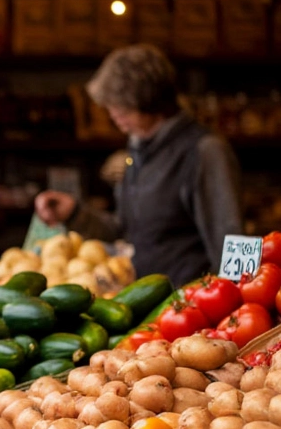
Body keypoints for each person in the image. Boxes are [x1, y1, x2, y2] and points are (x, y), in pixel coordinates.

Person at [34, 44, 242, 286]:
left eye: (121, 106)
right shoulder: (140, 149)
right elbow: (127, 231)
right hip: (148, 297)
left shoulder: (205, 150)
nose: (113, 114)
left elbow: (234, 240)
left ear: (148, 100)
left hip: (190, 299)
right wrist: (74, 213)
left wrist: (240, 299)